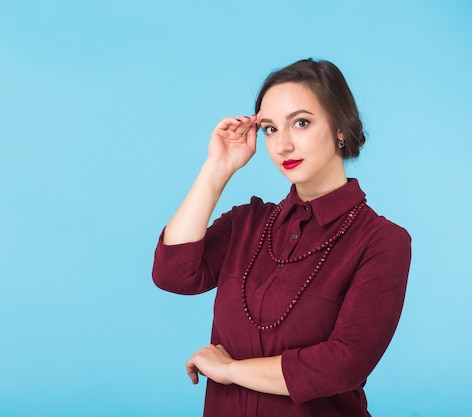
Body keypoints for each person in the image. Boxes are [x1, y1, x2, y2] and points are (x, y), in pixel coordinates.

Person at [152, 58, 412, 417]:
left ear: (340, 126)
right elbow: (173, 274)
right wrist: (217, 168)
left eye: (301, 123)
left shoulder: (381, 241)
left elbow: (344, 364)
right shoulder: (248, 222)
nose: (283, 145)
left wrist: (230, 370)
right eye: (271, 129)